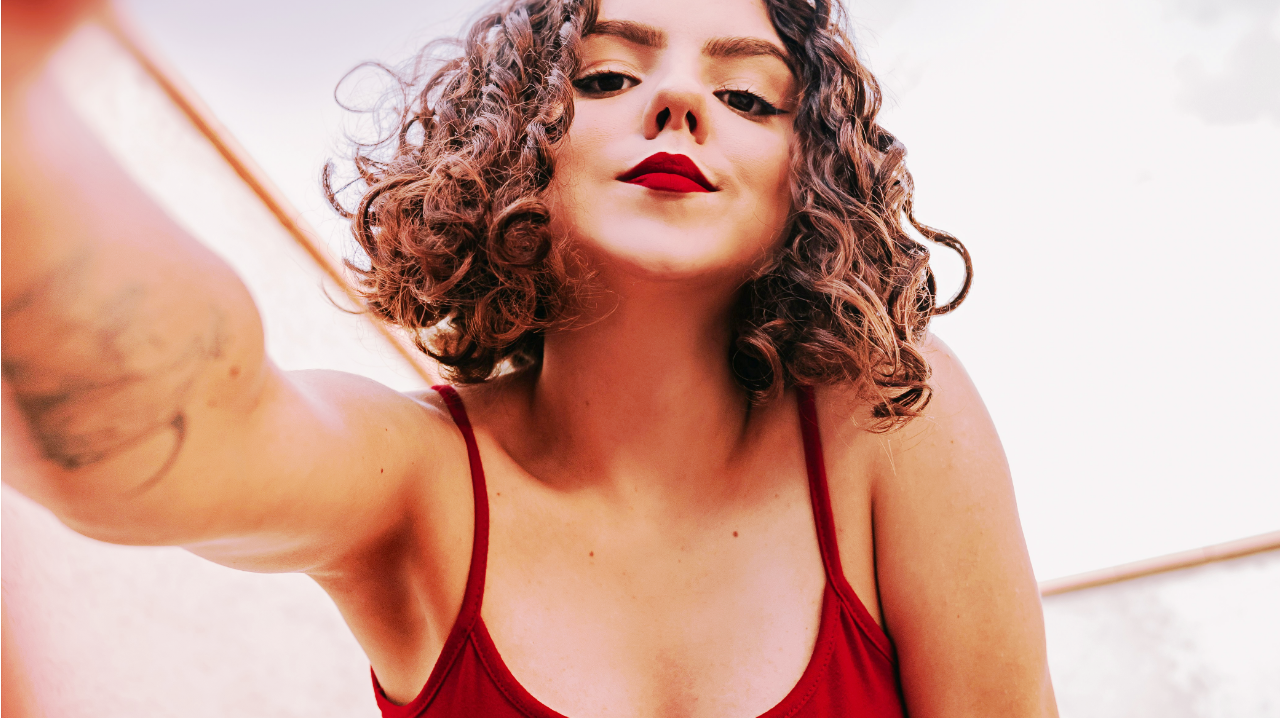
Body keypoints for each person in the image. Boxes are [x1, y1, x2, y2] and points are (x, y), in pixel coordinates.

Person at [2, 0, 1057, 715]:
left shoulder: (887, 414)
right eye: (608, 75)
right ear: (515, 138)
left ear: (806, 179)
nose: (679, 103)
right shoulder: (417, 483)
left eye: (746, 96)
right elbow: (177, 427)